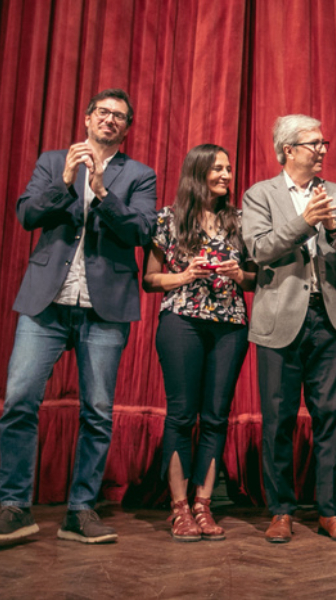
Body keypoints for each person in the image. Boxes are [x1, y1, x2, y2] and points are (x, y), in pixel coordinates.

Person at [0, 89, 157, 544]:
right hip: (46, 303)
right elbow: (28, 214)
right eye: (103, 113)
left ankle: (80, 510)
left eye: (119, 117)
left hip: (104, 308)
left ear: (127, 128)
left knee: (98, 411)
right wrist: (67, 180)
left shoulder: (139, 174)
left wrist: (104, 191)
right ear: (87, 118)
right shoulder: (53, 161)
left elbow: (143, 229)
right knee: (19, 400)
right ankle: (12, 506)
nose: (110, 120)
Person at [242, 115, 336, 543]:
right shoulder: (260, 195)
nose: (323, 150)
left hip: (329, 318)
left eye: (324, 143)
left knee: (332, 416)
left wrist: (331, 224)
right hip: (280, 320)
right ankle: (281, 511)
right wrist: (304, 221)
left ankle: (329, 511)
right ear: (289, 149)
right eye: (314, 143)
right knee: (279, 419)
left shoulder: (334, 193)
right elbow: (258, 250)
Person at [143, 144, 255, 542]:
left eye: (228, 168)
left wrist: (239, 274)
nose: (226, 175)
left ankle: (204, 507)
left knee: (215, 416)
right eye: (217, 168)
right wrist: (183, 275)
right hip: (181, 322)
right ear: (198, 172)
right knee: (181, 415)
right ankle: (179, 509)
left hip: (231, 325)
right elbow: (150, 279)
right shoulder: (167, 219)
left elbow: (256, 280)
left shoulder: (242, 221)